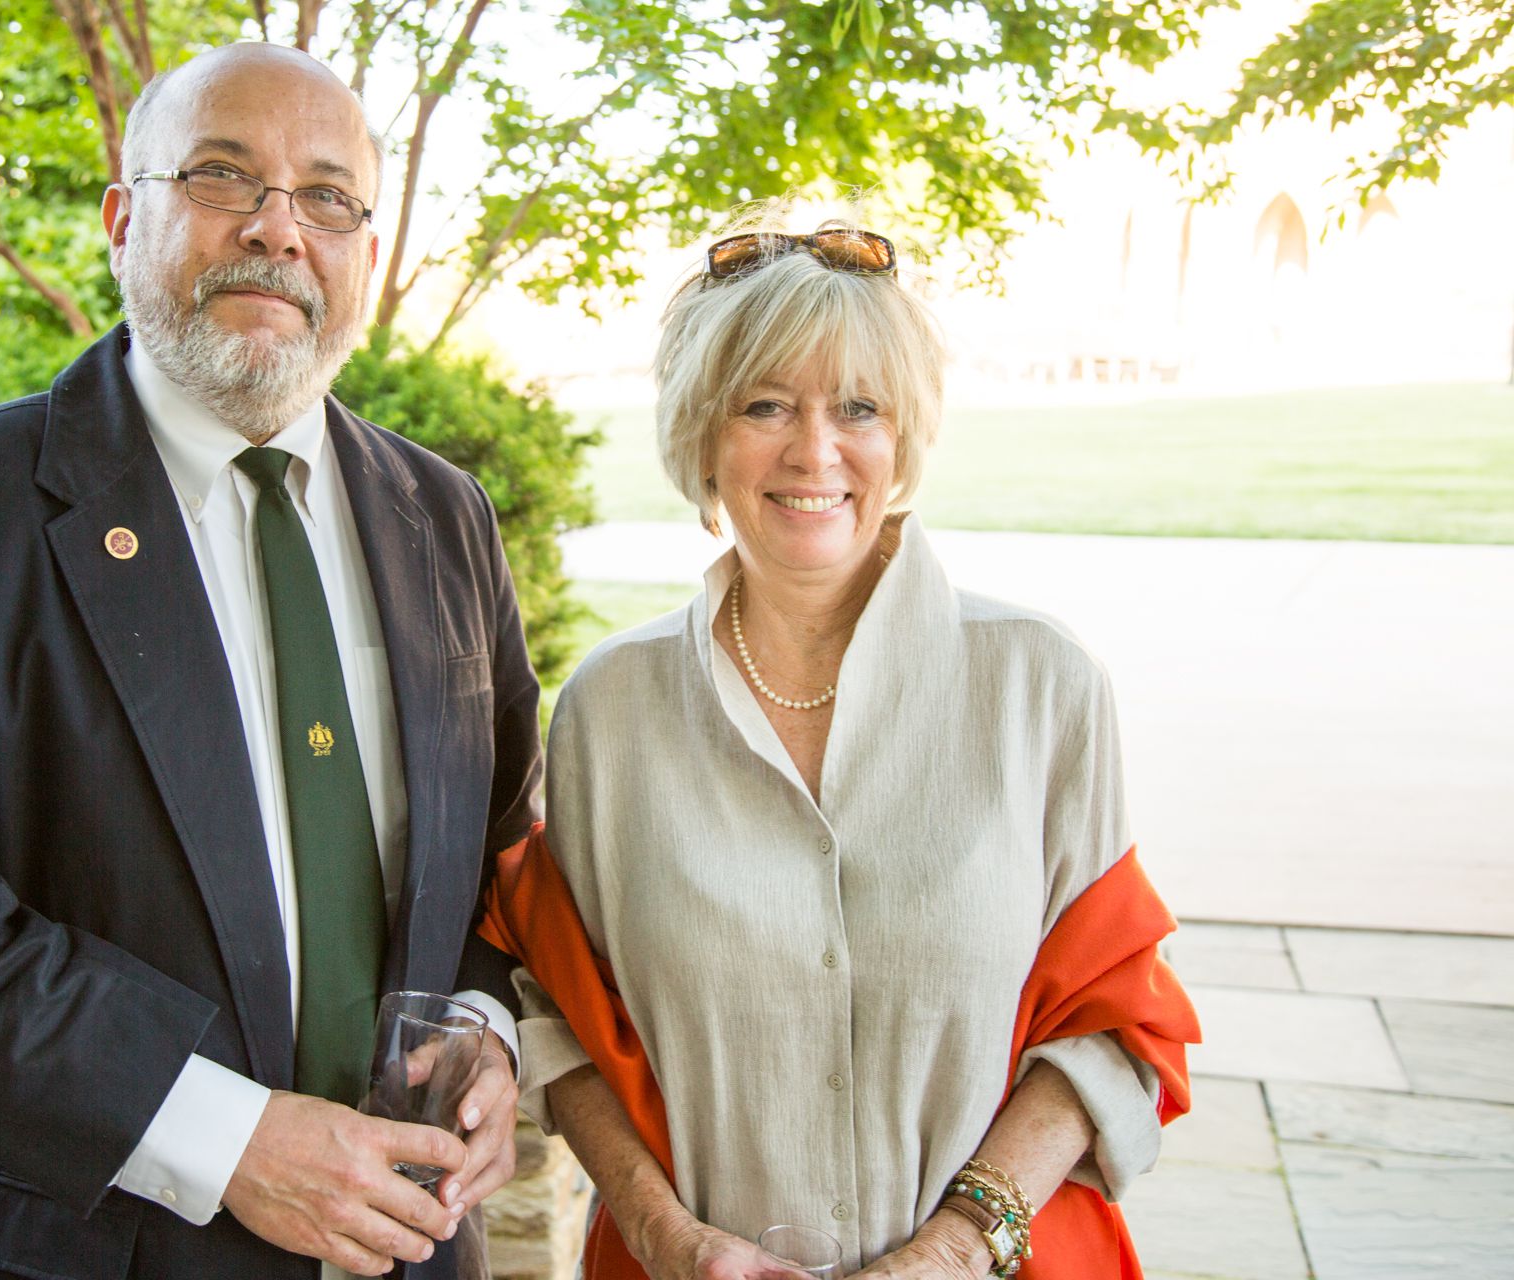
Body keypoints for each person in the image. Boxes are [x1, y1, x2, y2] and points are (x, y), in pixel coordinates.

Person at [0, 43, 540, 1280]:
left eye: (328, 197)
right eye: (225, 177)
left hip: (403, 1247)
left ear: (367, 257)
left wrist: (484, 1032)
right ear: (126, 219)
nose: (279, 230)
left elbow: (497, 852)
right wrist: (226, 1138)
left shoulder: (443, 514)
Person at [479, 222, 1199, 1278]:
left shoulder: (1040, 687)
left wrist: (954, 1249)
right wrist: (662, 1232)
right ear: (702, 432)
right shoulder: (610, 708)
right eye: (765, 404)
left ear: (901, 434)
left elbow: (1115, 1018)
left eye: (856, 406)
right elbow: (562, 1018)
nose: (814, 450)